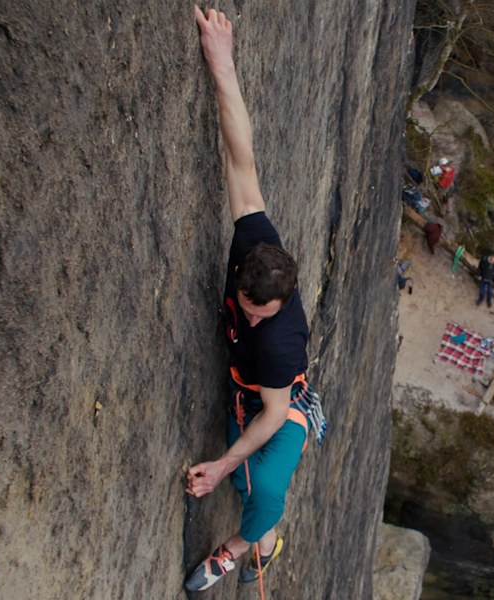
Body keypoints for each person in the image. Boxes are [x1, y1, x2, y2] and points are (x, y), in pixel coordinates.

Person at [185, 6, 317, 592]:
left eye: (258, 311)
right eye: (245, 301)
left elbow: (270, 415)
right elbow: (242, 158)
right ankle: (265, 537)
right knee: (246, 482)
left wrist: (220, 465)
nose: (247, 313)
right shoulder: (255, 245)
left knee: (263, 487)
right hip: (251, 391)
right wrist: (222, 61)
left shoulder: (281, 341)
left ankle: (236, 551)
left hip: (283, 404)